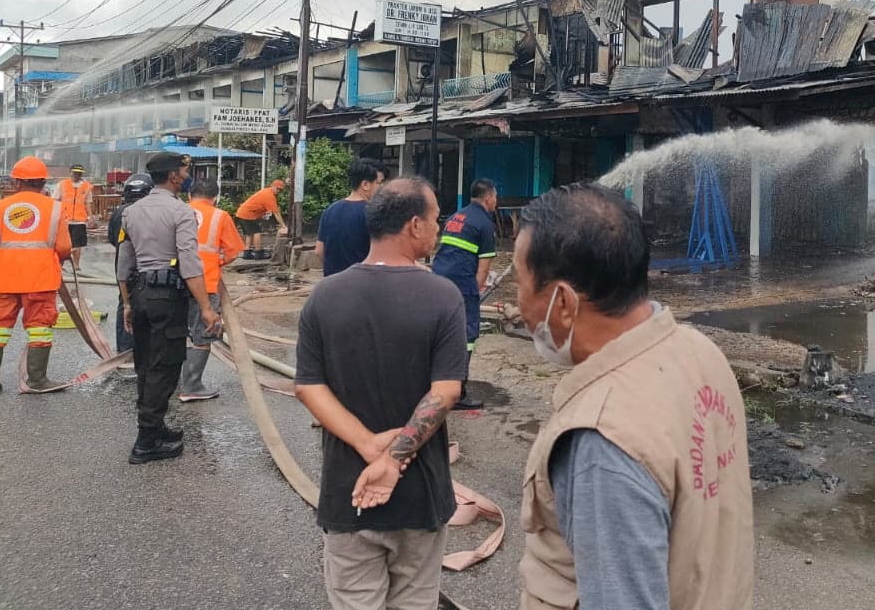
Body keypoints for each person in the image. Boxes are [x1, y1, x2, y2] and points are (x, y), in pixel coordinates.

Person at [514, 184, 753, 610]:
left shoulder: (603, 439)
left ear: (564, 302)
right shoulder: (700, 352)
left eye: (519, 282)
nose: (517, 304)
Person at [295, 177, 466, 610]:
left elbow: (308, 387)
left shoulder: (324, 296)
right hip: (420, 496)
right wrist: (393, 459)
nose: (439, 227)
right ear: (414, 225)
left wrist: (369, 445)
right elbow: (446, 391)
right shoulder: (443, 296)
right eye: (436, 218)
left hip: (349, 493)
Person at [116, 152, 219, 464]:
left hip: (140, 293)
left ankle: (156, 426)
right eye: (185, 172)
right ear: (174, 176)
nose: (187, 176)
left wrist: (127, 304)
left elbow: (124, 263)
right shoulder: (181, 212)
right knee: (165, 365)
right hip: (166, 298)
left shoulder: (131, 212)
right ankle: (146, 441)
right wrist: (206, 307)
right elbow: (189, 262)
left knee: (146, 362)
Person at [0, 156, 73, 393]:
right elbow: (64, 247)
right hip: (40, 279)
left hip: (4, 279)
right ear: (42, 182)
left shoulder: (1, 207)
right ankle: (37, 380)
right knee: (39, 327)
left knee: (0, 328)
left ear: (16, 182)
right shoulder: (55, 208)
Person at [429, 178, 498, 411]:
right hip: (462, 284)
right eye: (495, 198)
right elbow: (483, 268)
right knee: (466, 336)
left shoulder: (456, 217)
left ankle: (434, 383)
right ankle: (458, 391)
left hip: (439, 279)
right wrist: (475, 293)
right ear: (489, 198)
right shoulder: (485, 224)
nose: (496, 202)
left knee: (440, 331)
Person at [178, 179, 244, 402]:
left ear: (189, 195)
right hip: (205, 283)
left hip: (175, 282)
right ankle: (192, 385)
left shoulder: (177, 211)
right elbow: (233, 251)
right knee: (202, 334)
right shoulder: (220, 216)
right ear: (215, 197)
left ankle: (173, 381)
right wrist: (216, 262)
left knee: (177, 331)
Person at [108, 172, 154, 358]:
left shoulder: (119, 213)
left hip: (124, 268)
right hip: (148, 268)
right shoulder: (151, 211)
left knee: (125, 304)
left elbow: (113, 239)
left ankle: (125, 351)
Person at [314, 158, 385, 277]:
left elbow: (319, 251)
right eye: (380, 183)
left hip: (333, 281)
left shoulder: (330, 210)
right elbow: (383, 253)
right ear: (365, 185)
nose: (383, 187)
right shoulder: (374, 212)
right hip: (363, 280)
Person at [235, 179, 288, 260]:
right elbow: (276, 213)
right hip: (248, 214)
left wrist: (262, 215)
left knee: (249, 233)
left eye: (280, 190)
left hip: (241, 212)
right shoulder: (269, 196)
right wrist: (284, 226)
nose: (278, 191)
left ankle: (247, 252)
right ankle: (258, 253)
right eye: (277, 188)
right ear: (272, 186)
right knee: (257, 232)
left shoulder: (266, 192)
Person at [55, 162, 94, 271]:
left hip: (79, 220)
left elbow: (88, 203)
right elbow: (56, 200)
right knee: (62, 244)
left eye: (79, 173)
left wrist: (90, 217)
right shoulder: (62, 185)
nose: (77, 175)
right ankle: (60, 264)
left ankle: (76, 265)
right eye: (75, 173)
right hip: (64, 219)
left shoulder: (86, 187)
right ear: (71, 172)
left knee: (77, 244)